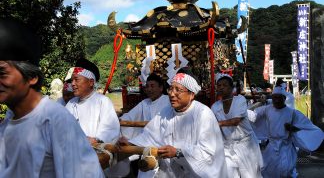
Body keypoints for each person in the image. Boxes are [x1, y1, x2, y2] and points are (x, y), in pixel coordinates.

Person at [0, 18, 104, 177]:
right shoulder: (8, 120)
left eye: (2, 73)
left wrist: (99, 140)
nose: (72, 85)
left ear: (32, 77)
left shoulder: (55, 119)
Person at [118, 71, 228, 177]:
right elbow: (150, 136)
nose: (171, 94)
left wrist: (177, 152)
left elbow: (207, 152)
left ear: (192, 94)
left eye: (178, 90)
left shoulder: (203, 114)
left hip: (198, 173)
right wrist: (131, 144)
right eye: (171, 88)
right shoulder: (166, 111)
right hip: (174, 171)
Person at [249, 86, 324, 178]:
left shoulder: (293, 113)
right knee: (268, 171)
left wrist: (293, 128)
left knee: (286, 171)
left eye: (279, 97)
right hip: (271, 148)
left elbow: (306, 127)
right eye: (274, 97)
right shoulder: (267, 109)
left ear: (284, 98)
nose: (276, 100)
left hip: (286, 148)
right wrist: (244, 111)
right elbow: (254, 116)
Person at [211, 73, 263, 178]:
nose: (220, 88)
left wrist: (217, 124)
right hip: (227, 146)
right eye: (219, 85)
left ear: (231, 88)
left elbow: (235, 121)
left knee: (250, 176)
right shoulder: (215, 106)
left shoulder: (240, 100)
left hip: (246, 145)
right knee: (228, 174)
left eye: (224, 85)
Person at [65, 58, 120, 144]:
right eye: (72, 80)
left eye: (76, 79)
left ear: (91, 82)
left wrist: (96, 140)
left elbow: (110, 128)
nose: (72, 83)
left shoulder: (103, 101)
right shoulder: (71, 104)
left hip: (96, 152)